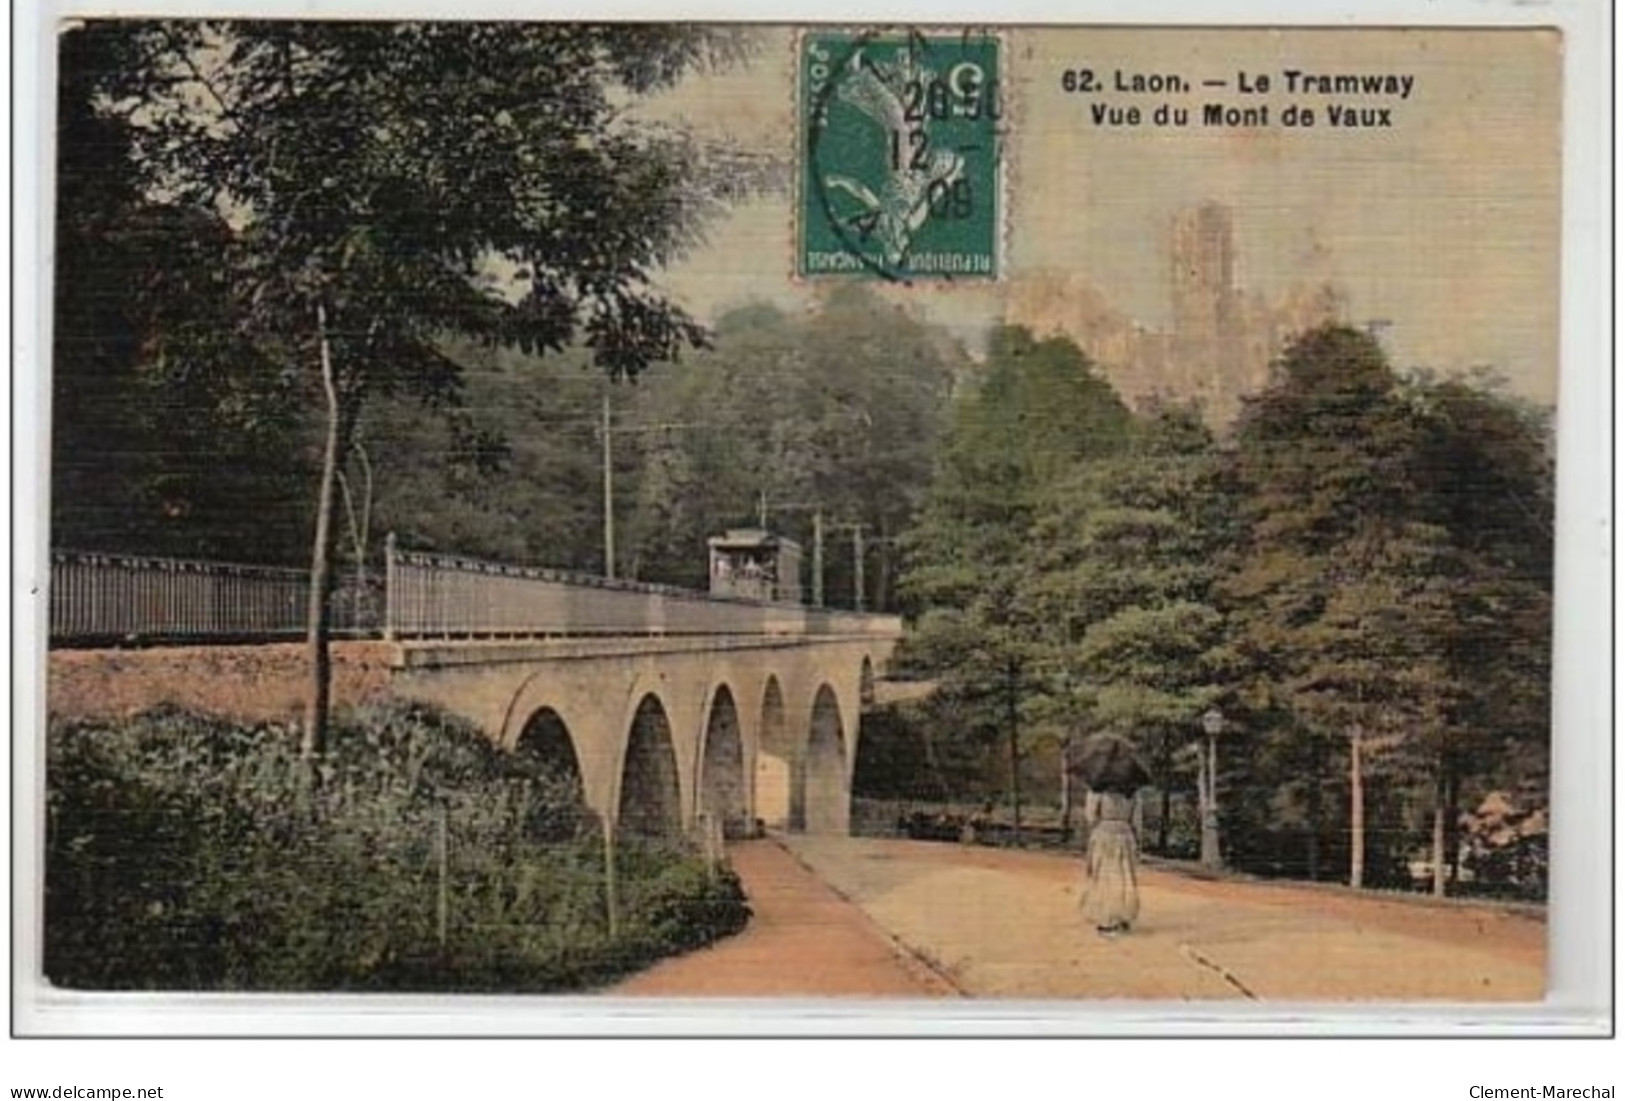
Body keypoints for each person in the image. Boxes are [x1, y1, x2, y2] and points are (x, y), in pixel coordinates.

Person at [1080, 787, 1141, 936]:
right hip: (1125, 835)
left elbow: (1091, 817)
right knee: (1124, 877)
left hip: (1104, 835)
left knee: (1105, 876)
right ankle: (1124, 916)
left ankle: (1107, 919)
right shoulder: (1132, 792)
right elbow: (1137, 821)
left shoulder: (1096, 791)